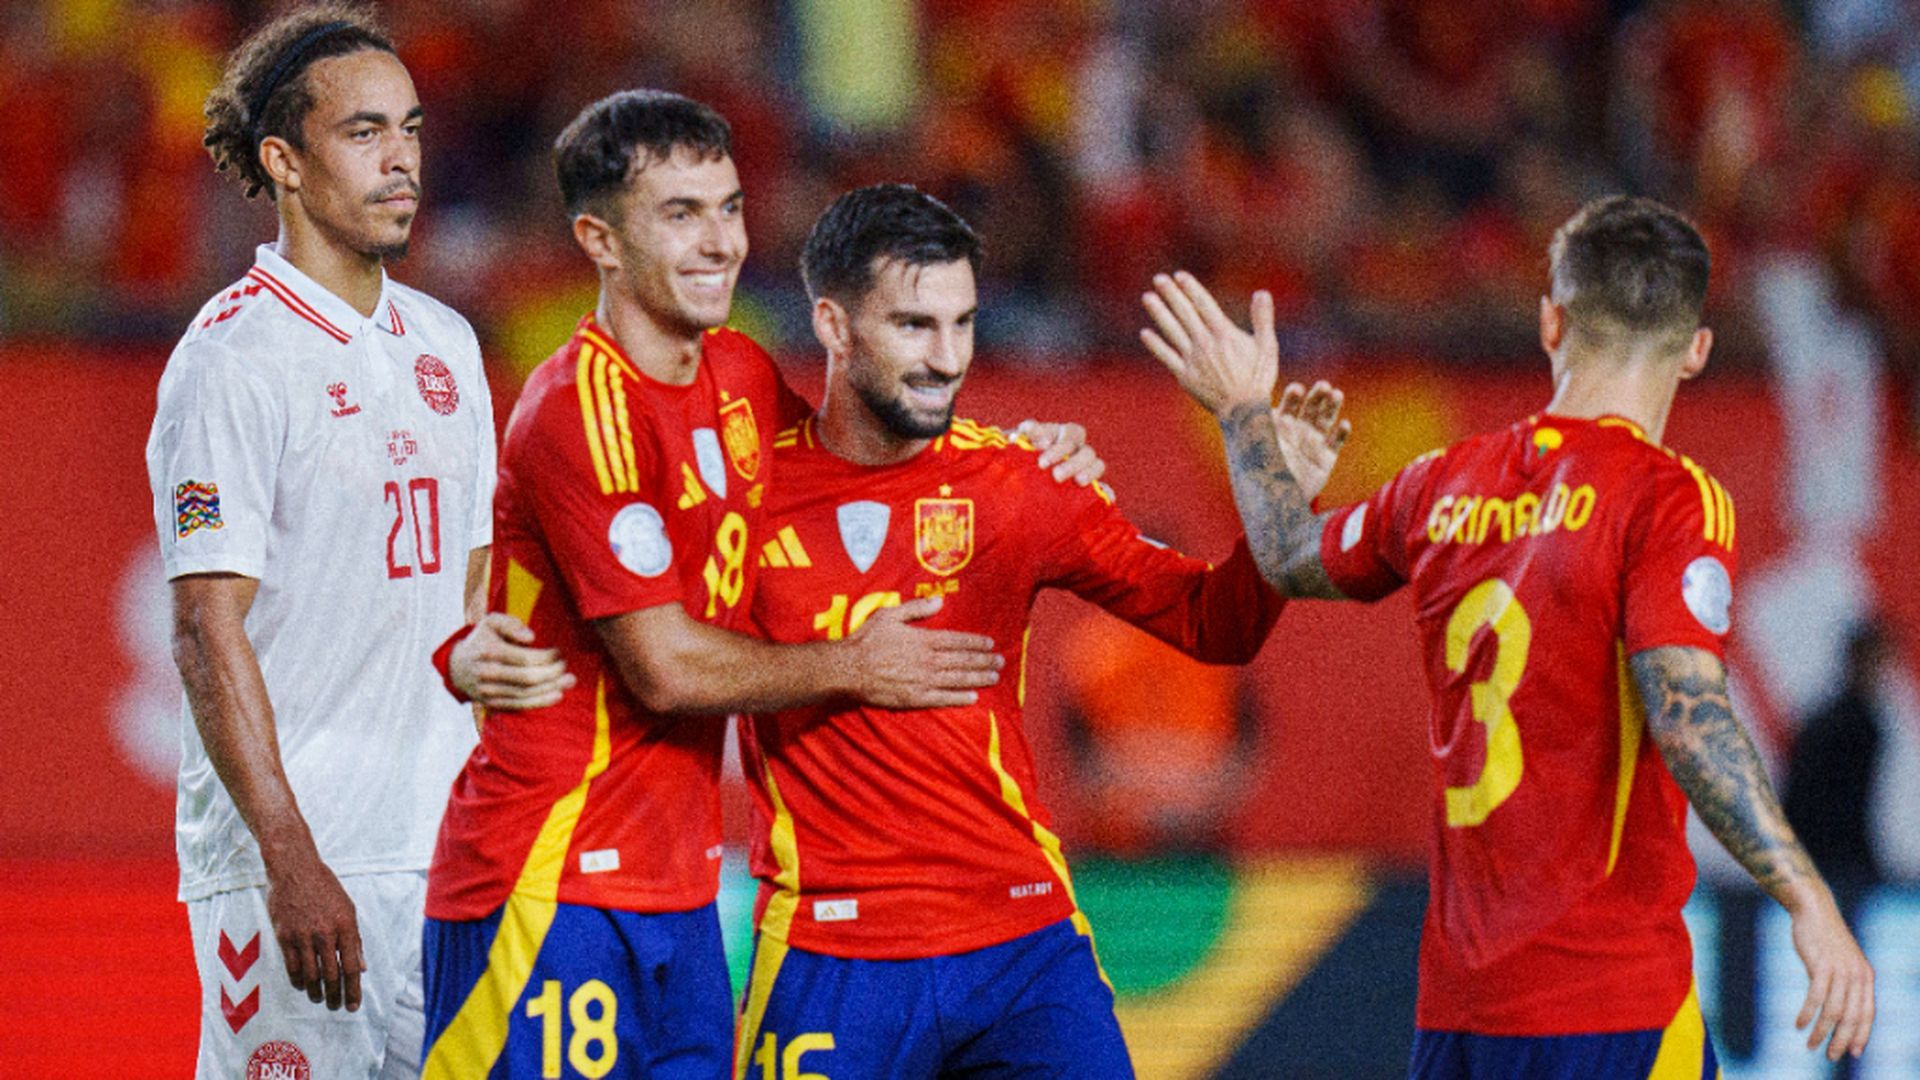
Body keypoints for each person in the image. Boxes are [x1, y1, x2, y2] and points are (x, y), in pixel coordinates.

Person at [417, 94, 1099, 1079]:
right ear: (599, 240)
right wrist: (857, 663)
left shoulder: (739, 371)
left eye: (729, 208)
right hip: (545, 882)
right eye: (680, 214)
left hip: (680, 900)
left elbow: (859, 467)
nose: (719, 242)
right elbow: (663, 668)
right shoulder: (575, 406)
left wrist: (1020, 457)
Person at [1145, 195, 1876, 1077]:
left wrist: (1244, 419)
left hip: (1461, 1015)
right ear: (1696, 350)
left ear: (1550, 321)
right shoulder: (1670, 498)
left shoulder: (1440, 484)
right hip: (1609, 1003)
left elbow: (1288, 553)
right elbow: (1687, 714)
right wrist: (1808, 899)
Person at [728, 183, 1347, 1079]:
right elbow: (667, 664)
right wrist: (847, 665)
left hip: (1021, 943)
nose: (947, 358)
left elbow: (1216, 626)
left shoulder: (1020, 481)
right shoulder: (741, 489)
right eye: (913, 326)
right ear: (832, 324)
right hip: (831, 949)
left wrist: (1272, 480)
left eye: (964, 323)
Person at [146, 5, 554, 1076]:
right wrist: (290, 854)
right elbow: (202, 626)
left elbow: (468, 604)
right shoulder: (230, 360)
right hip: (299, 870)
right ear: (283, 160)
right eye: (364, 132)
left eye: (410, 129)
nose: (402, 161)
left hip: (446, 866)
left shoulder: (447, 344)